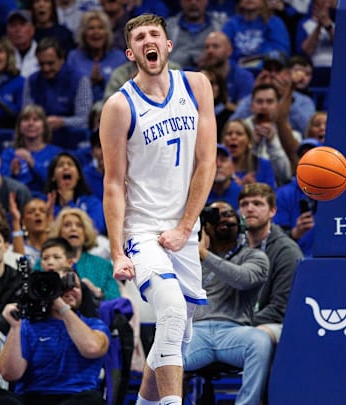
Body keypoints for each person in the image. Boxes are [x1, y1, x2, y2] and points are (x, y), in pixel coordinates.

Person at [99, 13, 217, 405]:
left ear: (167, 45)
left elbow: (207, 163)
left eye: (155, 34)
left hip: (184, 230)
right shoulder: (119, 106)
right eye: (140, 37)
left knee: (178, 335)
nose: (149, 41)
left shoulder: (197, 85)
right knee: (169, 311)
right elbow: (113, 183)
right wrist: (117, 251)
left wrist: (186, 228)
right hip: (142, 231)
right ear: (131, 52)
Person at [0, 266, 110, 405]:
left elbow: (92, 349)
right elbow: (9, 374)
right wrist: (15, 327)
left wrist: (61, 306)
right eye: (62, 285)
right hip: (32, 397)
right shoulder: (26, 325)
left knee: (92, 401)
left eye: (75, 286)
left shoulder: (94, 325)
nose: (70, 290)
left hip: (75, 397)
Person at [183, 200, 271, 405]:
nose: (223, 218)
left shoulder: (256, 257)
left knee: (260, 342)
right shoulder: (189, 259)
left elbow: (242, 279)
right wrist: (193, 251)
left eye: (229, 214)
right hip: (196, 331)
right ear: (205, 225)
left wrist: (204, 254)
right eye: (216, 215)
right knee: (163, 350)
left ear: (239, 223)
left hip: (234, 332)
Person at [239, 182, 303, 344]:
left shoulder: (286, 250)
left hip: (273, 325)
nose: (250, 209)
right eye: (244, 204)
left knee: (257, 337)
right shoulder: (234, 246)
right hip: (233, 323)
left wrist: (236, 323)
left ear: (273, 211)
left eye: (258, 203)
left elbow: (280, 309)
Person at [22, 36, 94, 150]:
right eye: (41, 64)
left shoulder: (80, 79)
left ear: (62, 60)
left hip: (72, 142)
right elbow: (25, 115)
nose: (45, 68)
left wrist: (62, 122)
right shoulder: (31, 81)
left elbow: (84, 119)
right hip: (39, 143)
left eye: (50, 63)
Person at [49, 207, 120, 300]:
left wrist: (97, 292)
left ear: (86, 232)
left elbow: (117, 298)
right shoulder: (47, 261)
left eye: (79, 225)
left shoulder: (103, 266)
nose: (73, 229)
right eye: (67, 225)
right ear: (59, 232)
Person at [0, 104, 65, 199]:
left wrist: (33, 164)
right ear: (20, 126)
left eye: (36, 120)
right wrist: (12, 173)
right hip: (16, 200)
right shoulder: (9, 154)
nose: (31, 123)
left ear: (44, 126)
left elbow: (56, 183)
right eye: (26, 120)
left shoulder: (56, 153)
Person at [67, 10, 127, 102]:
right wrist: (88, 83)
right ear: (83, 34)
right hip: (81, 111)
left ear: (107, 33)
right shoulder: (73, 58)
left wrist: (102, 81)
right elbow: (68, 91)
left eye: (100, 28)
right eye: (91, 28)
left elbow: (125, 92)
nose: (96, 32)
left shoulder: (119, 58)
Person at [47, 151, 106, 235]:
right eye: (60, 165)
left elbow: (96, 229)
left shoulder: (92, 203)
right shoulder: (46, 203)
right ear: (53, 177)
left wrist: (69, 204)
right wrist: (49, 214)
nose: (66, 167)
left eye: (70, 164)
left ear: (79, 175)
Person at [165, 0, 225, 71]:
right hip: (175, 75)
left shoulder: (220, 26)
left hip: (211, 73)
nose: (193, 2)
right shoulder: (167, 26)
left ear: (206, 1)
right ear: (181, 2)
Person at [222, 119, 277, 189]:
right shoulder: (216, 166)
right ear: (223, 140)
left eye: (239, 134)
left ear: (249, 140)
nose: (233, 137)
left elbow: (271, 196)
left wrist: (253, 189)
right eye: (229, 134)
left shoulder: (263, 165)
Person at [207, 144, 243, 210]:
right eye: (213, 161)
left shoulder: (242, 194)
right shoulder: (197, 194)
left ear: (233, 167)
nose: (218, 165)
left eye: (223, 160)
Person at [6, 9, 40, 78]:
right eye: (13, 25)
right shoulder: (2, 55)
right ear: (7, 31)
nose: (17, 29)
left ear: (32, 30)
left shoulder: (42, 53)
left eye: (22, 24)